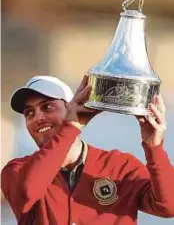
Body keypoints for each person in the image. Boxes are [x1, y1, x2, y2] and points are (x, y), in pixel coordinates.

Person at [1, 75, 174, 225]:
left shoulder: (120, 166)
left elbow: (168, 206)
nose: (38, 117)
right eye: (29, 113)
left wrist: (154, 148)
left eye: (47, 107)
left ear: (71, 108)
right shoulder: (16, 170)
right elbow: (29, 190)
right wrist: (72, 126)